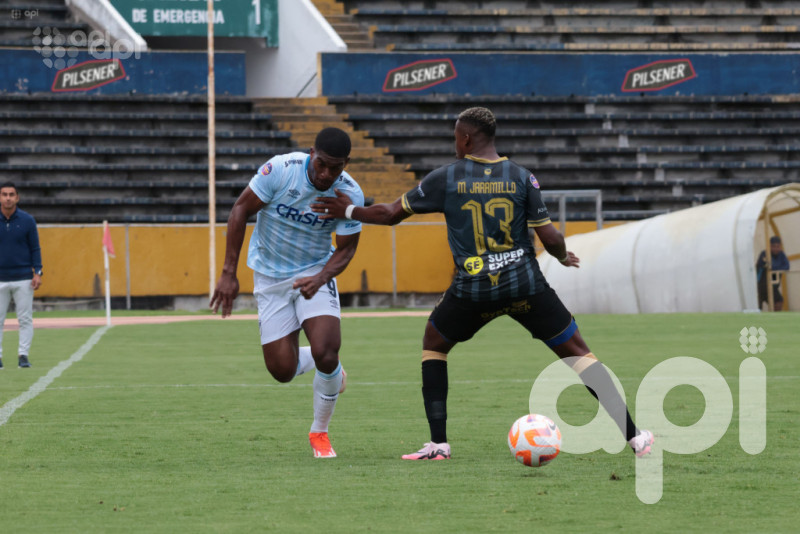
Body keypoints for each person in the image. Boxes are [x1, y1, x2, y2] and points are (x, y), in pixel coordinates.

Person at [312, 107, 653, 460]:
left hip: (473, 290)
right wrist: (562, 256)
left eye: (455, 137)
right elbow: (550, 237)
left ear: (466, 138)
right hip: (525, 287)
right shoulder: (521, 177)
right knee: (580, 354)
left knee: (435, 343)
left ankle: (439, 445)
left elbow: (390, 214)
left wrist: (349, 211)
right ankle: (636, 438)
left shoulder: (447, 177)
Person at [210, 127, 364, 458]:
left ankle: (319, 432)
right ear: (312, 153)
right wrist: (228, 274)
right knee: (282, 371)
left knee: (327, 349)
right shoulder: (280, 170)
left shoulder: (349, 193)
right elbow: (240, 210)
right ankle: (328, 369)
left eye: (334, 168)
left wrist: (321, 278)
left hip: (314, 272)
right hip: (270, 277)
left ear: (345, 164)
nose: (326, 174)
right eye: (321, 164)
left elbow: (346, 249)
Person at [0, 181, 42, 369]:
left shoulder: (27, 220)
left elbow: (35, 248)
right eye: (4, 194)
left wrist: (38, 272)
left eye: (11, 194)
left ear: (17, 197)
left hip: (24, 278)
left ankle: (23, 356)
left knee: (24, 318)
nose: (8, 198)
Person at [756, 236, 790, 311]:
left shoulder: (782, 255)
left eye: (778, 246)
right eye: (773, 246)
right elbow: (764, 265)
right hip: (762, 286)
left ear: (780, 247)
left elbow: (787, 266)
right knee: (758, 308)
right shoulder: (764, 253)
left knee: (779, 302)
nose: (776, 248)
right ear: (769, 246)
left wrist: (774, 268)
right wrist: (776, 267)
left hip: (773, 286)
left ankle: (774, 319)